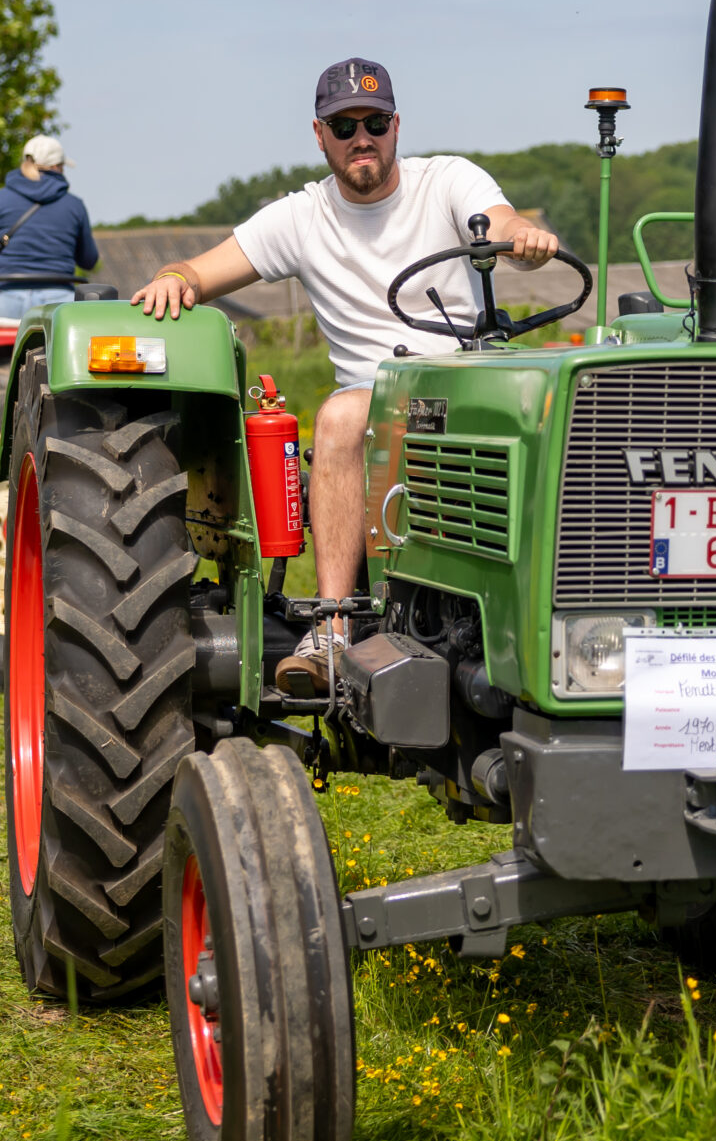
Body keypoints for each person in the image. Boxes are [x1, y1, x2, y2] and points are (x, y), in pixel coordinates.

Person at [130, 58, 559, 695]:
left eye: (375, 123)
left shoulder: (447, 180)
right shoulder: (302, 217)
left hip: (463, 382)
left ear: (395, 125)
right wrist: (174, 280)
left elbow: (498, 222)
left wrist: (523, 235)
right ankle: (332, 628)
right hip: (374, 398)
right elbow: (199, 270)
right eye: (344, 125)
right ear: (320, 134)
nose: (363, 137)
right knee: (338, 417)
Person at [0, 135, 99, 328]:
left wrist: (1, 281)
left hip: (5, 301)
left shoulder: (0, 199)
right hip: (58, 302)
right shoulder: (74, 205)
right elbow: (89, 260)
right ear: (56, 167)